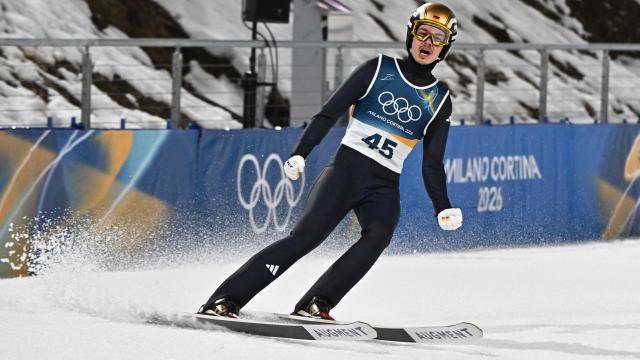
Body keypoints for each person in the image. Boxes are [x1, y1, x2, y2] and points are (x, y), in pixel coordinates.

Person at [199, 2, 463, 320]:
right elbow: (328, 113)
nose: (428, 43)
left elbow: (432, 163)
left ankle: (316, 303)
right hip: (347, 170)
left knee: (378, 235)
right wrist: (300, 153)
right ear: (411, 34)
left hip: (384, 183)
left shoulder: (440, 100)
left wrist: (443, 205)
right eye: (423, 33)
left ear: (445, 47)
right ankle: (225, 299)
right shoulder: (378, 69)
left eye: (438, 38)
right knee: (305, 239)